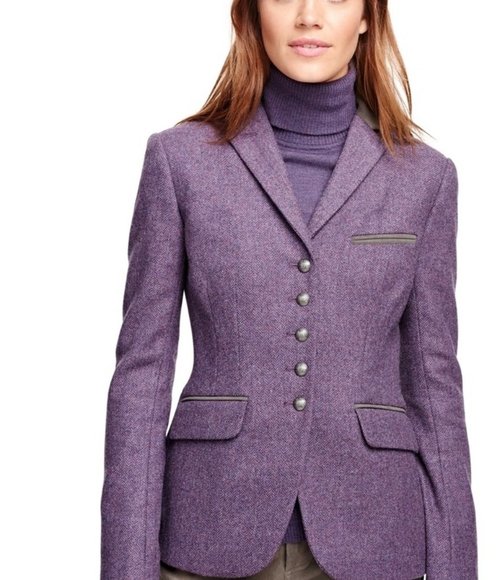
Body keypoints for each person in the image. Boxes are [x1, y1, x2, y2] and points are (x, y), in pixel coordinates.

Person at [100, 1, 478, 579]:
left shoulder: (424, 178)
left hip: (375, 539)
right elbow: (142, 375)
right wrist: (126, 568)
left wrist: (456, 569)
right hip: (209, 533)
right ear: (250, 13)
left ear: (368, 16)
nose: (309, 16)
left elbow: (435, 383)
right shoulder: (180, 162)